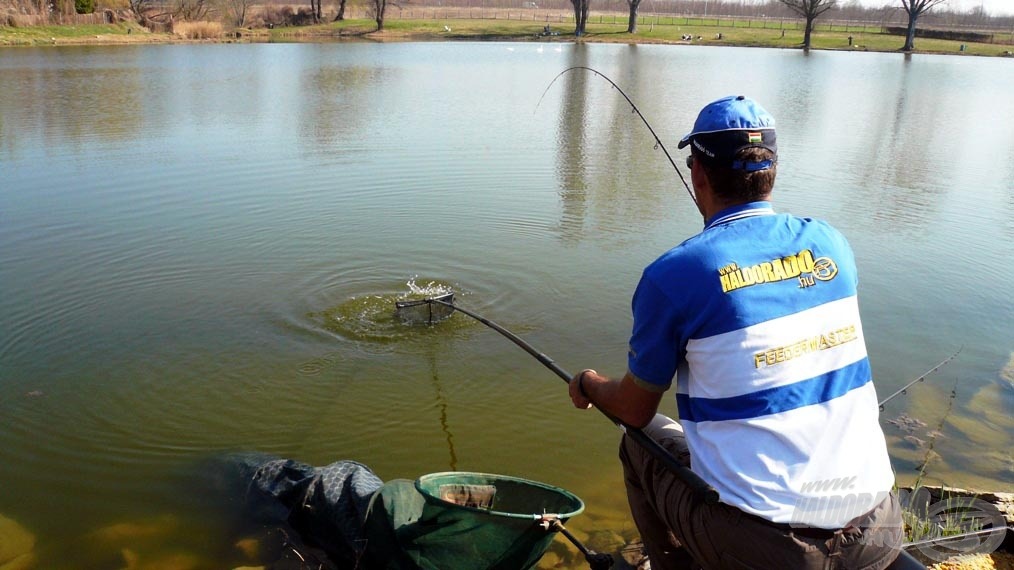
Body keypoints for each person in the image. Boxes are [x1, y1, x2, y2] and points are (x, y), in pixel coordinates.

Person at [569, 95, 903, 570]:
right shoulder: (832, 244)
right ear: (771, 173)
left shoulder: (675, 275)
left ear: (698, 175)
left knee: (639, 444)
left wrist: (587, 383)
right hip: (881, 532)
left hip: (775, 553)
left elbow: (635, 409)